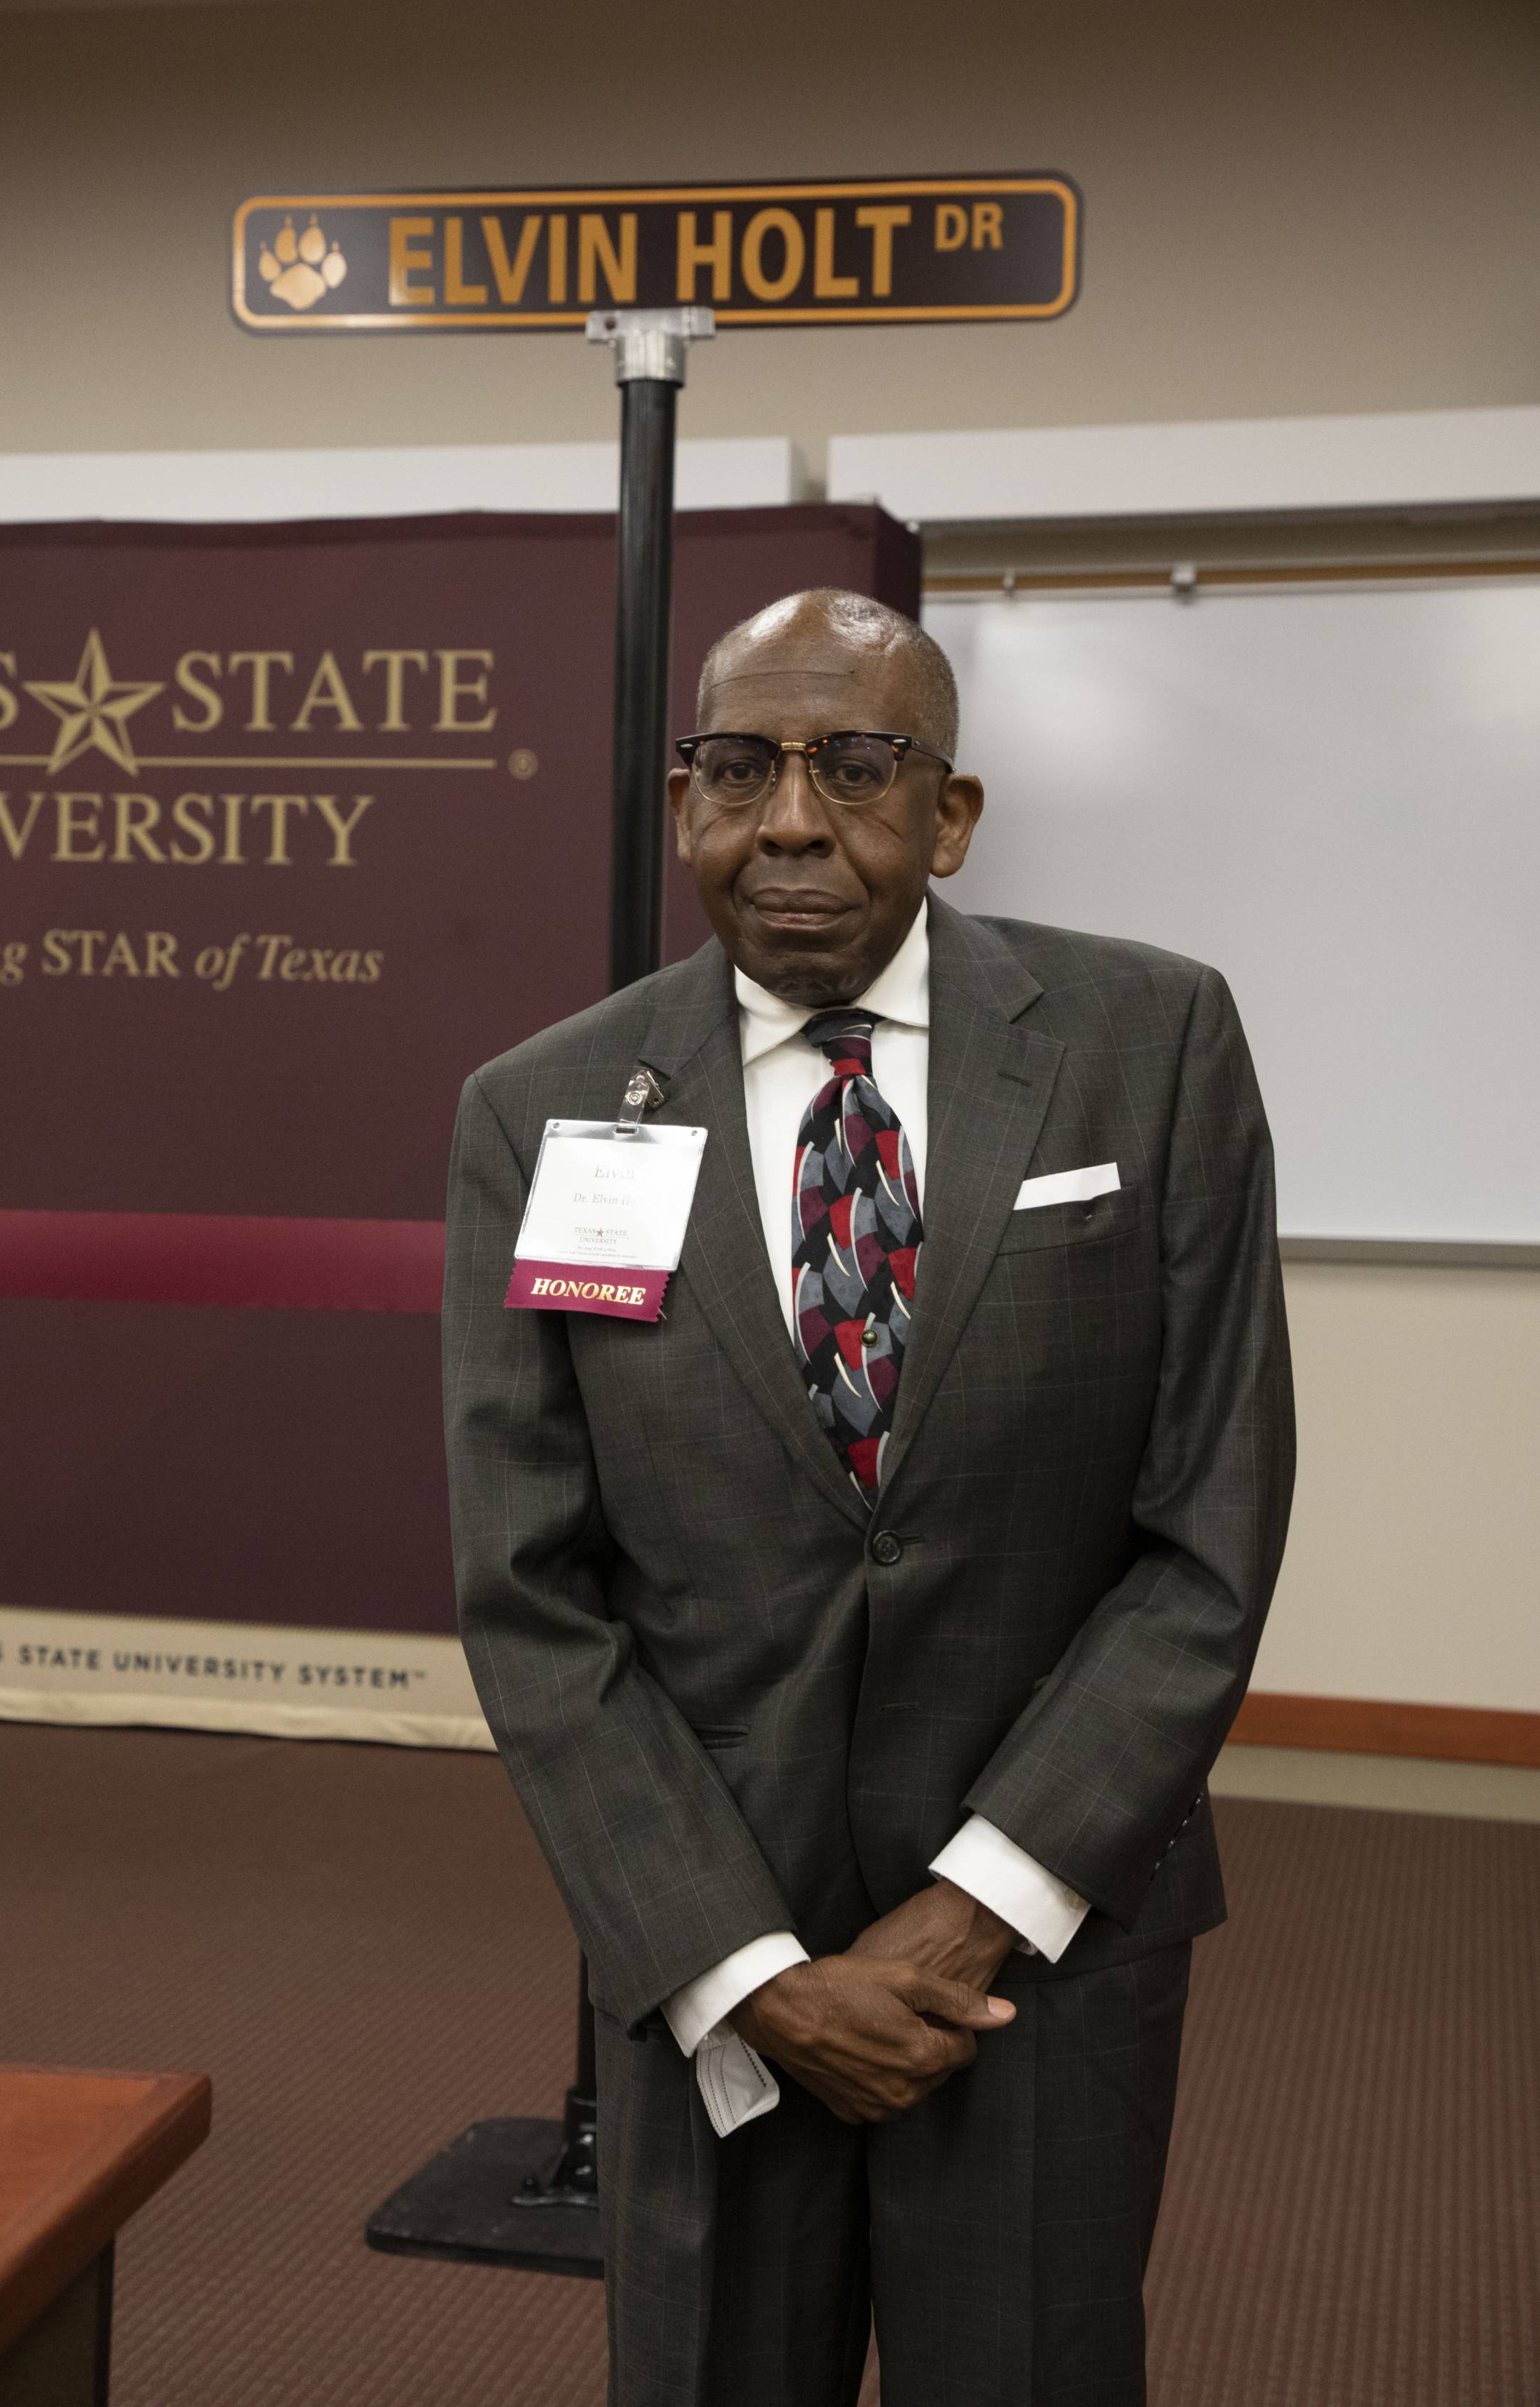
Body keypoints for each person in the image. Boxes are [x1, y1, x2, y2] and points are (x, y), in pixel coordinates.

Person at [443, 588, 1295, 2406]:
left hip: (1041, 1939)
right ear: (684, 806)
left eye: (855, 765)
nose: (792, 822)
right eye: (737, 770)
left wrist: (971, 1902)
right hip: (712, 1956)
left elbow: (1207, 1532)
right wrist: (746, 1966)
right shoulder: (550, 1110)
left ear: (952, 813)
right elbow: (530, 1586)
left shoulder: (1149, 1046)